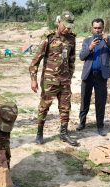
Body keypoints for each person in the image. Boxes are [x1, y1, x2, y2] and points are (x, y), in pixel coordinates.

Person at [30, 11, 78, 146]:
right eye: (66, 25)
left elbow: (72, 60)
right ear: (59, 22)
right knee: (44, 107)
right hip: (50, 81)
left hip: (65, 81)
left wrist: (69, 76)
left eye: (70, 26)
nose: (68, 29)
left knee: (65, 107)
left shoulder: (71, 39)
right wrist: (33, 79)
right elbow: (35, 60)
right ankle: (39, 133)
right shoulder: (49, 38)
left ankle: (64, 133)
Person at [77, 18, 110, 136]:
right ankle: (82, 122)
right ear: (92, 28)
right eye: (95, 28)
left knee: (100, 101)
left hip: (101, 76)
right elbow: (81, 56)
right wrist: (90, 47)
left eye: (99, 28)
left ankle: (100, 126)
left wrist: (107, 41)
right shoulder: (86, 41)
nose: (97, 30)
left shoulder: (109, 39)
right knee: (84, 99)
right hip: (88, 74)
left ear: (103, 28)